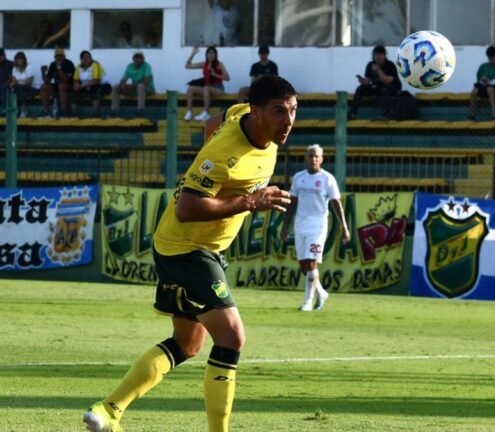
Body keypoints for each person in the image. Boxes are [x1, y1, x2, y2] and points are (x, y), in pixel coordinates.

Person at [82, 75, 296, 432]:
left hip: (186, 246)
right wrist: (247, 201)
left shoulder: (243, 114)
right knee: (231, 337)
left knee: (187, 343)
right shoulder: (223, 152)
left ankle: (108, 410)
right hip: (188, 247)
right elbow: (186, 207)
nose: (288, 121)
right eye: (279, 112)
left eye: (292, 111)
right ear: (257, 112)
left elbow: (219, 119)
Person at [280, 144, 351, 312]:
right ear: (306, 158)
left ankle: (307, 301)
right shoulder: (298, 178)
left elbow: (336, 203)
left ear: (322, 159)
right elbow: (292, 203)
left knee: (312, 263)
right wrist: (285, 226)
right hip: (300, 224)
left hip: (318, 225)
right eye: (310, 156)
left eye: (316, 156)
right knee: (304, 265)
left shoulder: (328, 179)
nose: (313, 159)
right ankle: (321, 292)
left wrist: (344, 227)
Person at [348, 45, 401, 120]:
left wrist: (378, 70)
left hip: (391, 88)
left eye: (380, 55)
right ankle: (352, 113)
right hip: (377, 87)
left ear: (384, 56)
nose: (378, 57)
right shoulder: (370, 65)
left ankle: (384, 114)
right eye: (376, 55)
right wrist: (363, 82)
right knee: (360, 89)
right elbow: (368, 81)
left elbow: (386, 81)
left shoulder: (390, 65)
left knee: (385, 89)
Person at [185, 46, 230, 122]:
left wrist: (215, 74)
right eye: (209, 53)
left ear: (216, 55)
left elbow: (227, 78)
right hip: (208, 88)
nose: (211, 55)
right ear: (206, 55)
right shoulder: (204, 64)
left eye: (213, 53)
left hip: (218, 88)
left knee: (206, 88)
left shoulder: (219, 64)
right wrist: (193, 54)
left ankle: (206, 113)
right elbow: (187, 66)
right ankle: (189, 112)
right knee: (190, 89)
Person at [469, 46, 495, 121]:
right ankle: (472, 115)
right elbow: (478, 80)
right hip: (484, 86)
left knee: (490, 89)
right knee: (474, 91)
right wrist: (483, 79)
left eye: (492, 58)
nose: (491, 60)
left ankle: (494, 115)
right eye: (489, 58)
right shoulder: (483, 66)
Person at [111, 52, 155, 117]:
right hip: (135, 90)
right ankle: (114, 110)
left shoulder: (147, 66)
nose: (138, 59)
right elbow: (123, 79)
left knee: (141, 86)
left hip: (148, 89)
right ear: (133, 59)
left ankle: (140, 109)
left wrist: (132, 86)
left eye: (140, 57)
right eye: (136, 57)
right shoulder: (130, 66)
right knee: (116, 87)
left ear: (143, 59)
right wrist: (123, 84)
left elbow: (146, 82)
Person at [39, 48, 75, 118]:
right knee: (44, 86)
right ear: (54, 57)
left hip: (69, 86)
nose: (59, 57)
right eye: (57, 56)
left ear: (64, 56)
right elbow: (47, 81)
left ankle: (64, 112)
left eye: (60, 56)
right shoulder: (52, 64)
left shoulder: (69, 64)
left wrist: (59, 67)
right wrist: (43, 72)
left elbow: (65, 79)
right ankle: (45, 112)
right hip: (57, 86)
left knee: (61, 86)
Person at [72, 50, 106, 117]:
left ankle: (96, 115)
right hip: (85, 86)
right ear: (81, 59)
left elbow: (96, 81)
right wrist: (76, 86)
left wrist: (81, 86)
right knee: (74, 92)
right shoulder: (78, 67)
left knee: (94, 91)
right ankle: (74, 115)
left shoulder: (95, 65)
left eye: (88, 57)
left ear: (91, 58)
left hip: (101, 85)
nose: (86, 59)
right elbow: (75, 80)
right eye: (83, 57)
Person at [9, 51, 37, 118]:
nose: (19, 60)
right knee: (10, 89)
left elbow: (29, 82)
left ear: (24, 59)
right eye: (17, 59)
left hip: (31, 88)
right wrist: (11, 84)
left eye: (21, 59)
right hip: (19, 88)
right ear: (15, 60)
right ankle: (14, 111)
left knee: (22, 89)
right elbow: (14, 81)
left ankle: (24, 111)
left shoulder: (29, 67)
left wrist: (18, 83)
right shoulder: (14, 69)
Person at [0, 48, 13, 116]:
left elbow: (11, 78)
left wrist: (4, 85)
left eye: (1, 56)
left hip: (7, 85)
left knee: (3, 89)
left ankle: (4, 110)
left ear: (4, 55)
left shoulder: (10, 64)